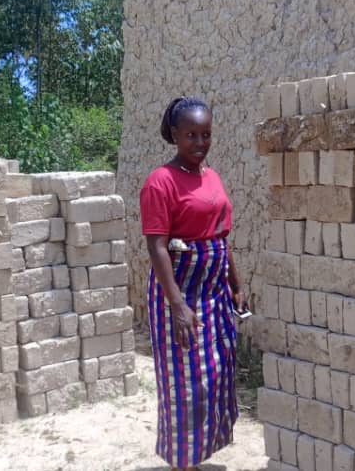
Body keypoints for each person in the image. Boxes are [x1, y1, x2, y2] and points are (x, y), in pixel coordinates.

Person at [140, 96, 244, 470]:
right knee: (186, 380)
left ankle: (199, 455)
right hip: (181, 291)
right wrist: (178, 305)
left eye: (206, 134)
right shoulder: (160, 182)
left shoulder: (211, 177)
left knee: (216, 371)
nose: (200, 143)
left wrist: (235, 281)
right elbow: (157, 246)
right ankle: (181, 462)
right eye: (191, 135)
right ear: (174, 135)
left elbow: (220, 235)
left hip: (214, 291)